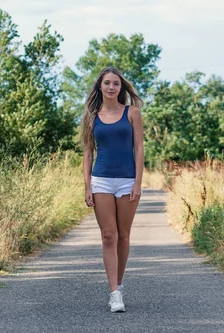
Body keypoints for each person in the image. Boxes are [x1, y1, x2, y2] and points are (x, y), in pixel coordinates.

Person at [80, 66, 144, 312]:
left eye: (115, 83)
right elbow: (87, 152)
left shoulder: (132, 113)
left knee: (123, 235)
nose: (111, 87)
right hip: (101, 180)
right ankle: (114, 293)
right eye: (106, 83)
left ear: (121, 87)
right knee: (109, 236)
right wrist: (87, 185)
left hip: (127, 180)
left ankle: (119, 282)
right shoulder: (91, 115)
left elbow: (139, 149)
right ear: (100, 86)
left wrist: (138, 182)